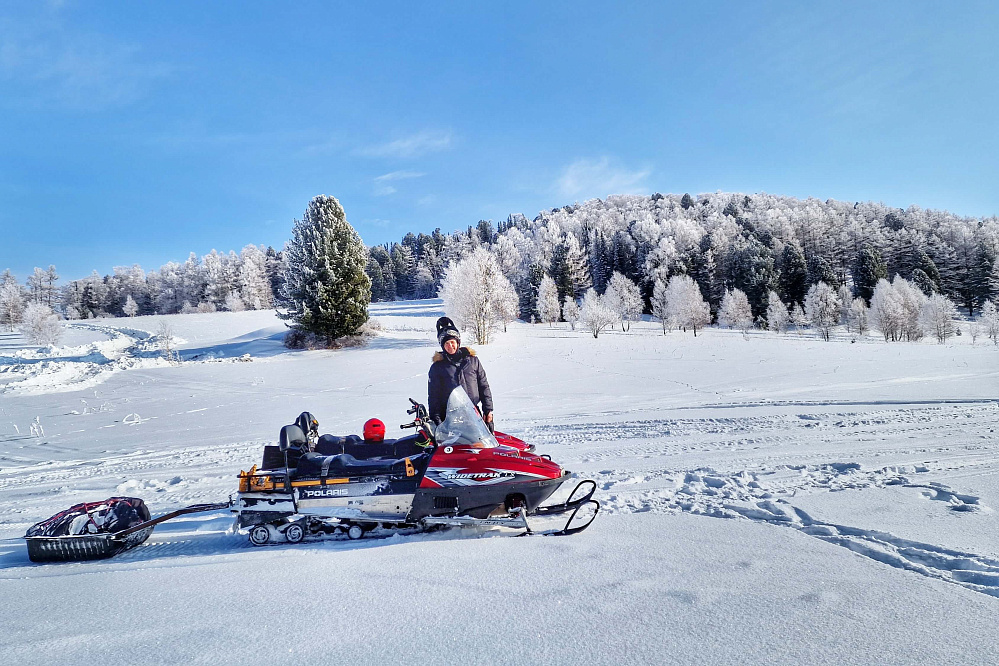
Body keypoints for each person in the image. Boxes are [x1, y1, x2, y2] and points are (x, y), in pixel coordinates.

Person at [428, 316, 494, 430]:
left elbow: (484, 386)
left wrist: (488, 410)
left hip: (474, 414)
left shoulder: (473, 361)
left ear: (458, 342)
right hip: (450, 417)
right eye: (446, 343)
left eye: (452, 342)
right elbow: (434, 396)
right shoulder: (437, 367)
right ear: (442, 346)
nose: (450, 346)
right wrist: (436, 420)